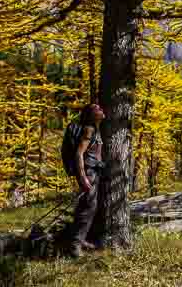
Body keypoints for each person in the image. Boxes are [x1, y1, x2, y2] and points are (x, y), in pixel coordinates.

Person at [67, 103, 105, 258]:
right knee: (89, 207)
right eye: (98, 109)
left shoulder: (95, 129)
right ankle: (75, 245)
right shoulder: (89, 129)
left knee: (87, 205)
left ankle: (80, 239)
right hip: (88, 173)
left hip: (93, 171)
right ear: (91, 114)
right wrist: (83, 177)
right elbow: (79, 154)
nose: (102, 110)